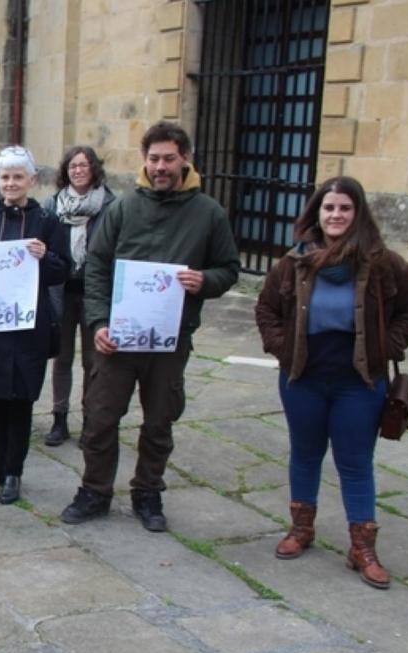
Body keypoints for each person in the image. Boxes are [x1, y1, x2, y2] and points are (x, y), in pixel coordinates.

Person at [60, 121, 240, 532]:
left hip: (169, 341)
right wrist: (99, 323)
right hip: (117, 340)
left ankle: (148, 492)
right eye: (154, 158)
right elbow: (98, 269)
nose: (161, 166)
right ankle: (95, 490)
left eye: (169, 158)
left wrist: (204, 281)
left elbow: (228, 268)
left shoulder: (208, 214)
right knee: (100, 417)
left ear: (185, 159)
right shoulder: (123, 208)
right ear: (145, 160)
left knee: (159, 421)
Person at [255, 176, 408, 590]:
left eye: (344, 209)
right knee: (305, 453)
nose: (335, 215)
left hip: (358, 382)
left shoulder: (382, 262)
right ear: (317, 212)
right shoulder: (292, 262)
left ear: (358, 214)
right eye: (329, 208)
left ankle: (362, 547)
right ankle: (301, 529)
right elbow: (266, 310)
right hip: (303, 378)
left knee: (355, 463)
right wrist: (282, 348)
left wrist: (387, 344)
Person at [0, 147, 69, 504]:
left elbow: (62, 270)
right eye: (5, 177)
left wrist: (44, 257)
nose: (11, 183)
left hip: (27, 329)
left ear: (31, 180)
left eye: (19, 176)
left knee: (20, 401)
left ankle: (14, 470)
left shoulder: (48, 222)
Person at [42, 146, 115, 446]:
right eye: (73, 166)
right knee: (62, 358)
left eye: (84, 165)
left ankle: (90, 418)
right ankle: (59, 418)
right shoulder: (53, 205)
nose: (78, 170)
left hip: (93, 292)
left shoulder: (109, 205)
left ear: (94, 168)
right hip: (61, 291)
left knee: (92, 360)